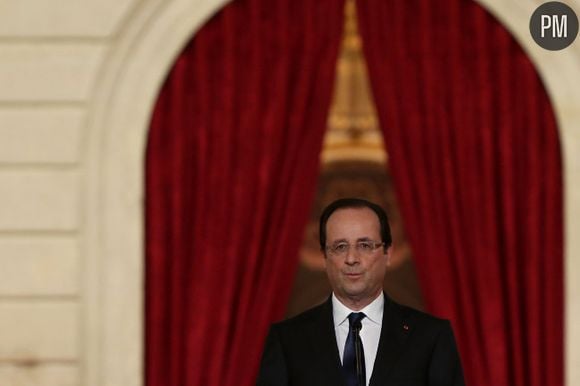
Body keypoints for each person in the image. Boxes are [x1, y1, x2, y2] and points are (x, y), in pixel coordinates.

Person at [257, 198, 464, 386]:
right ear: (324, 257)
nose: (352, 258)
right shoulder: (287, 341)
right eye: (340, 247)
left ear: (387, 253)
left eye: (365, 245)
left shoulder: (431, 337)